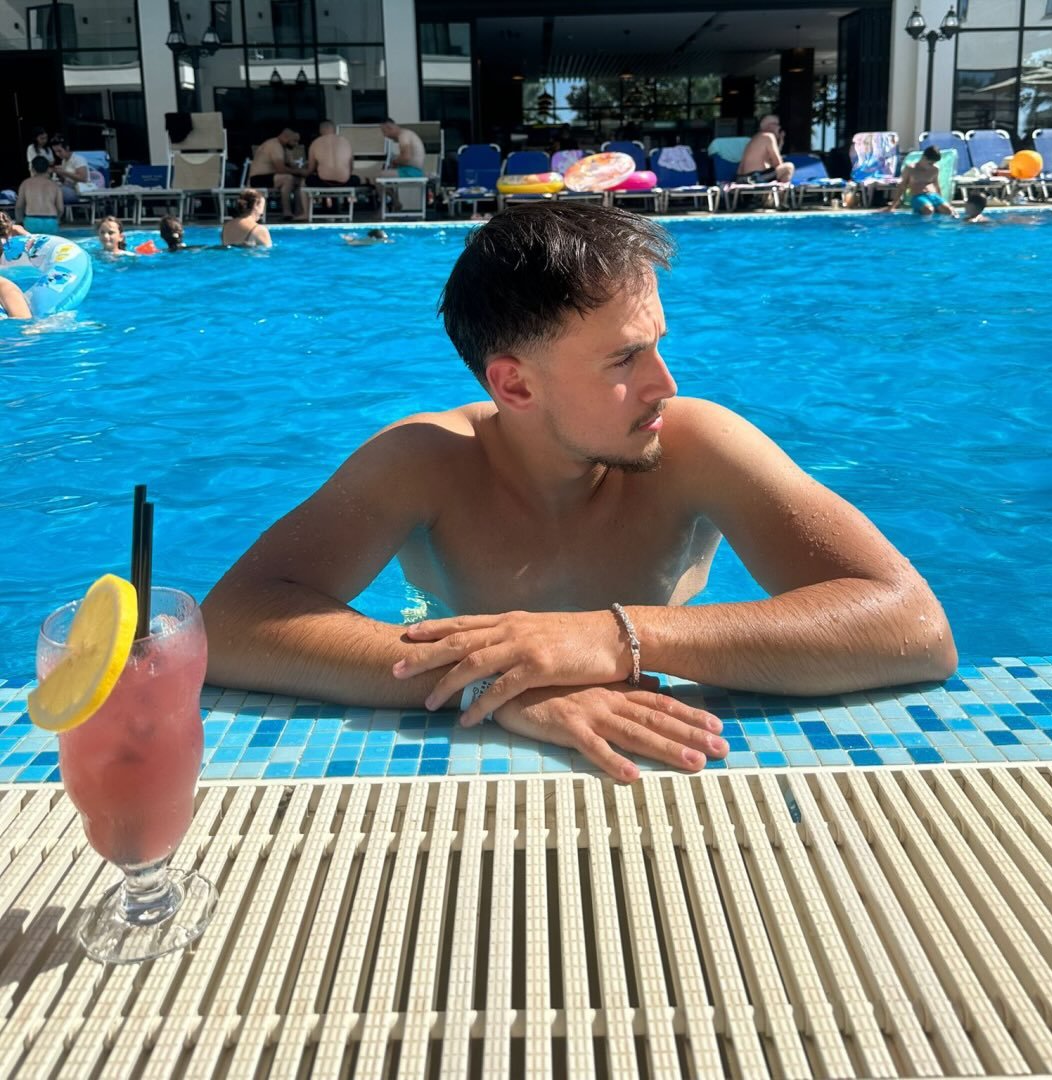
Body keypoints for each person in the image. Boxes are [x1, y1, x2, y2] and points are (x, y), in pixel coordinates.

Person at [202, 202, 957, 783]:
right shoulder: (425, 464)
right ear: (515, 385)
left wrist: (615, 636)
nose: (666, 385)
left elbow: (915, 627)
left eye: (657, 345)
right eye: (626, 360)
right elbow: (231, 623)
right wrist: (501, 683)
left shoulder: (694, 446)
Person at [249, 128, 307, 220]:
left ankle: (299, 212)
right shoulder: (274, 145)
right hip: (258, 179)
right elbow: (281, 169)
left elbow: (292, 165)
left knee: (299, 181)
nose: (296, 144)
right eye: (294, 141)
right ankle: (287, 212)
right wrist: (299, 171)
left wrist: (302, 170)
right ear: (286, 137)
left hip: (272, 177)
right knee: (288, 179)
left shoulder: (284, 148)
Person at [883, 145, 955, 217]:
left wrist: (942, 201)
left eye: (934, 163)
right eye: (930, 163)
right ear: (923, 157)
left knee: (949, 211)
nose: (932, 165)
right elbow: (902, 187)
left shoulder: (935, 169)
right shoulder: (910, 169)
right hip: (918, 197)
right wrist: (892, 207)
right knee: (928, 210)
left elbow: (937, 186)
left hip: (933, 195)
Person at [735, 115, 795, 185]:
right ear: (770, 126)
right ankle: (782, 191)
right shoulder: (769, 136)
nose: (779, 127)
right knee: (789, 167)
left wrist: (781, 142)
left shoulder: (756, 138)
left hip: (741, 178)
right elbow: (778, 163)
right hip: (753, 178)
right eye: (777, 124)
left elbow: (770, 162)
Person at [16, 156, 64, 234]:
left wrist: (19, 221)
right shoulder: (54, 185)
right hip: (51, 220)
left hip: (31, 220)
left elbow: (19, 206)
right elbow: (60, 208)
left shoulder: (25, 184)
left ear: (32, 169)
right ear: (48, 169)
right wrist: (57, 219)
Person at [306, 120, 360, 188]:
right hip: (345, 183)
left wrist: (295, 171)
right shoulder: (346, 142)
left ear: (320, 130)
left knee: (309, 179)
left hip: (323, 183)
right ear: (334, 130)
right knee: (356, 178)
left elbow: (310, 170)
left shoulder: (315, 143)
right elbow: (351, 168)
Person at [49, 137, 90, 204]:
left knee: (55, 191)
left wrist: (64, 172)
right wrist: (59, 173)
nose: (57, 154)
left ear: (67, 148)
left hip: (79, 191)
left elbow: (83, 178)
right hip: (69, 188)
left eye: (59, 151)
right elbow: (66, 179)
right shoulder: (64, 161)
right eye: (55, 152)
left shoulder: (78, 159)